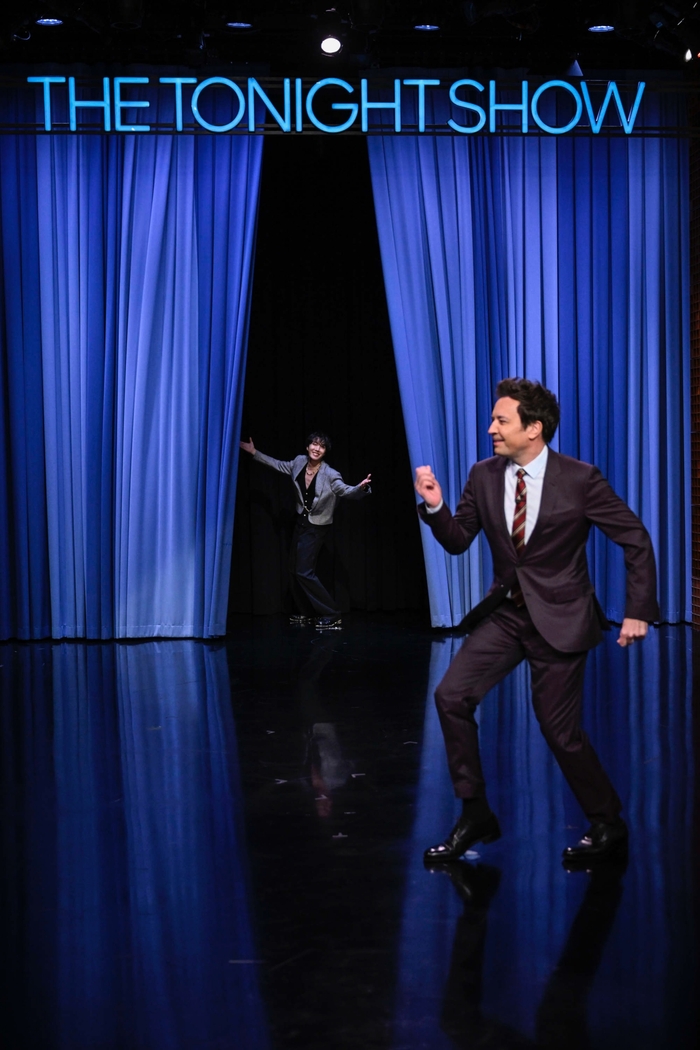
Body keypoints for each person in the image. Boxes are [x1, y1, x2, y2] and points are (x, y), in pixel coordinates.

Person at [414, 378, 659, 866]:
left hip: (562, 618)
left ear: (534, 428)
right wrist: (436, 505)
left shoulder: (581, 479)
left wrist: (637, 610)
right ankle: (475, 812)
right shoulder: (483, 475)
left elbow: (635, 538)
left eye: (501, 420)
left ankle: (607, 822)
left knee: (559, 731)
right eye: (493, 419)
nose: (491, 429)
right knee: (451, 696)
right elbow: (459, 540)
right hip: (507, 615)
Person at [239, 432, 371, 630]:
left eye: (322, 446)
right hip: (301, 520)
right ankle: (307, 612)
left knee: (304, 571)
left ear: (325, 451)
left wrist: (360, 488)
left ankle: (332, 613)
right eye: (314, 444)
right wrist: (254, 452)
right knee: (294, 569)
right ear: (308, 447)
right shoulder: (299, 462)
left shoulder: (330, 474)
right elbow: (278, 465)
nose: (317, 448)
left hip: (318, 525)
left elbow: (345, 490)